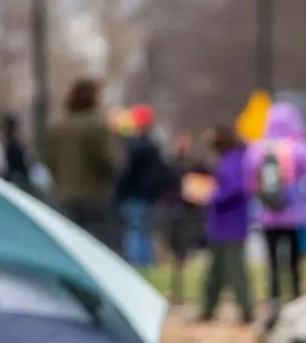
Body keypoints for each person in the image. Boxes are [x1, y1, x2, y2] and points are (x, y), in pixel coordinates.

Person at [244, 102, 306, 311]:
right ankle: (296, 299)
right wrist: (300, 197)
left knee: (272, 262)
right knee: (295, 261)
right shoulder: (302, 147)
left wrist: (262, 200)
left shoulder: (257, 148)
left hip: (267, 215)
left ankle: (274, 301)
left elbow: (249, 182)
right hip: (295, 216)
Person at [40, 78, 119, 250]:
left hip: (64, 193)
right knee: (94, 244)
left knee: (69, 243)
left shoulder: (58, 125)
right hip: (93, 194)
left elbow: (47, 157)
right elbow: (106, 159)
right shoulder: (97, 123)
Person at [200, 125, 256, 322]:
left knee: (235, 268)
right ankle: (208, 308)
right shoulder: (229, 159)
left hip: (231, 223)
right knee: (216, 269)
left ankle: (246, 308)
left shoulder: (234, 160)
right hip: (222, 224)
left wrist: (211, 196)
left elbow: (233, 188)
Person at [117, 104, 170, 268]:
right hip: (150, 196)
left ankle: (137, 265)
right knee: (146, 232)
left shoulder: (135, 146)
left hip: (134, 194)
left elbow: (126, 173)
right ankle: (147, 264)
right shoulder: (154, 145)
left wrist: (119, 191)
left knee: (134, 232)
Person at [162, 131, 211, 304]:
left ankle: (185, 291)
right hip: (175, 211)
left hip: (191, 213)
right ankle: (176, 290)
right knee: (175, 252)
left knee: (189, 251)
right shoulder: (170, 166)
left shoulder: (196, 165)